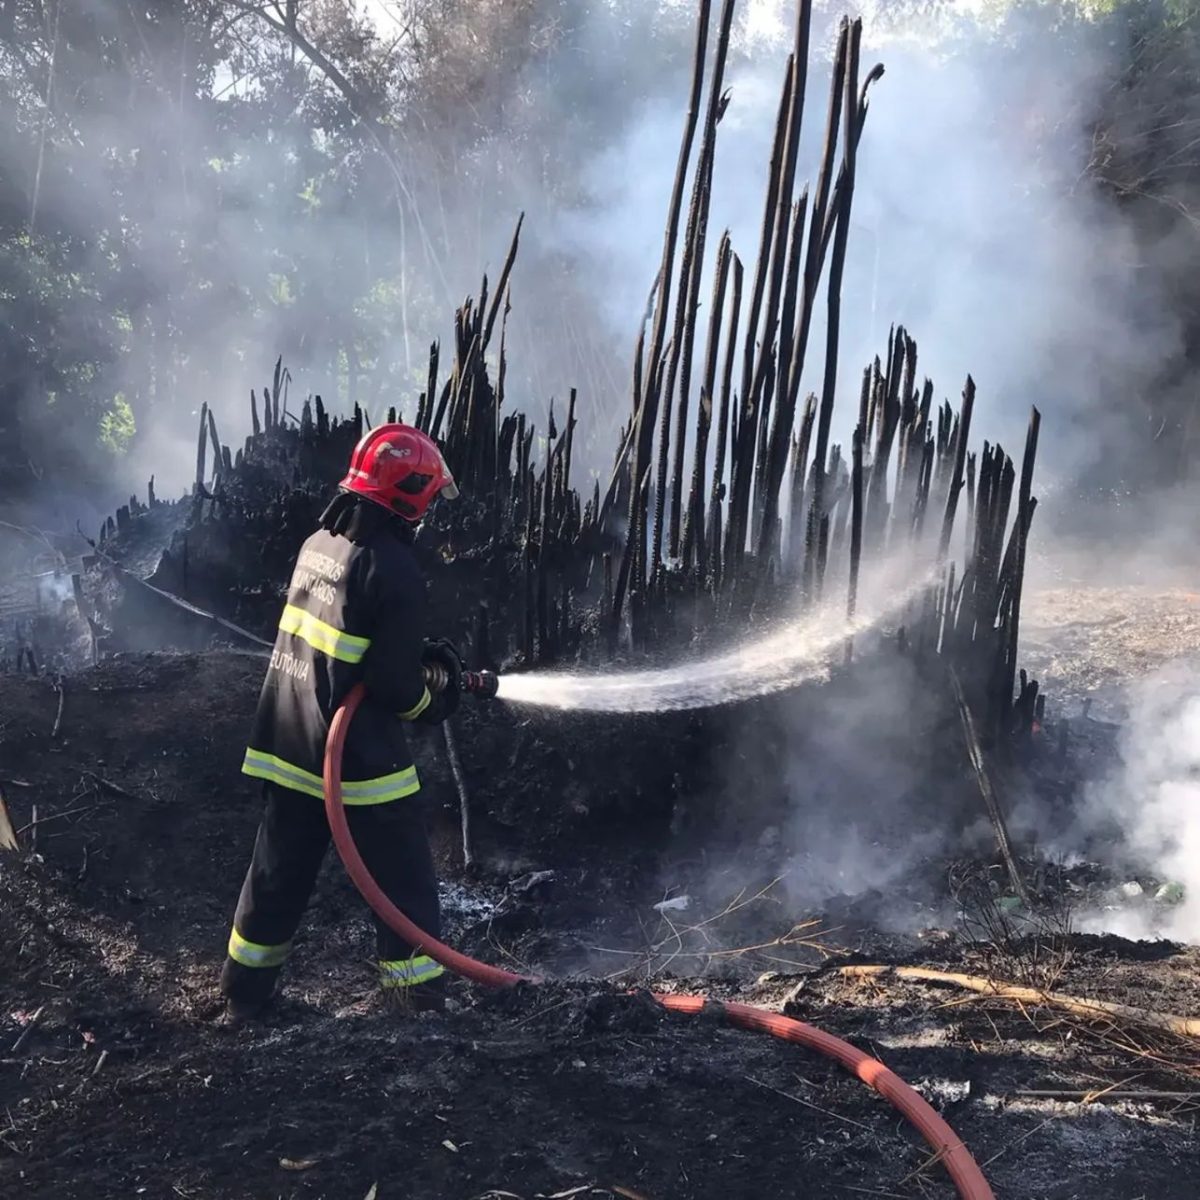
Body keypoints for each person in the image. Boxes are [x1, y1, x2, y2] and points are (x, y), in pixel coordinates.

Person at [220, 423, 462, 1021]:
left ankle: (244, 994)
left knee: (277, 873)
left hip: (287, 735)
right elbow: (393, 686)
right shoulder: (394, 567)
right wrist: (433, 702)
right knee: (403, 875)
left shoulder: (319, 542)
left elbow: (345, 640)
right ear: (411, 494)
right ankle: (416, 998)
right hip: (353, 757)